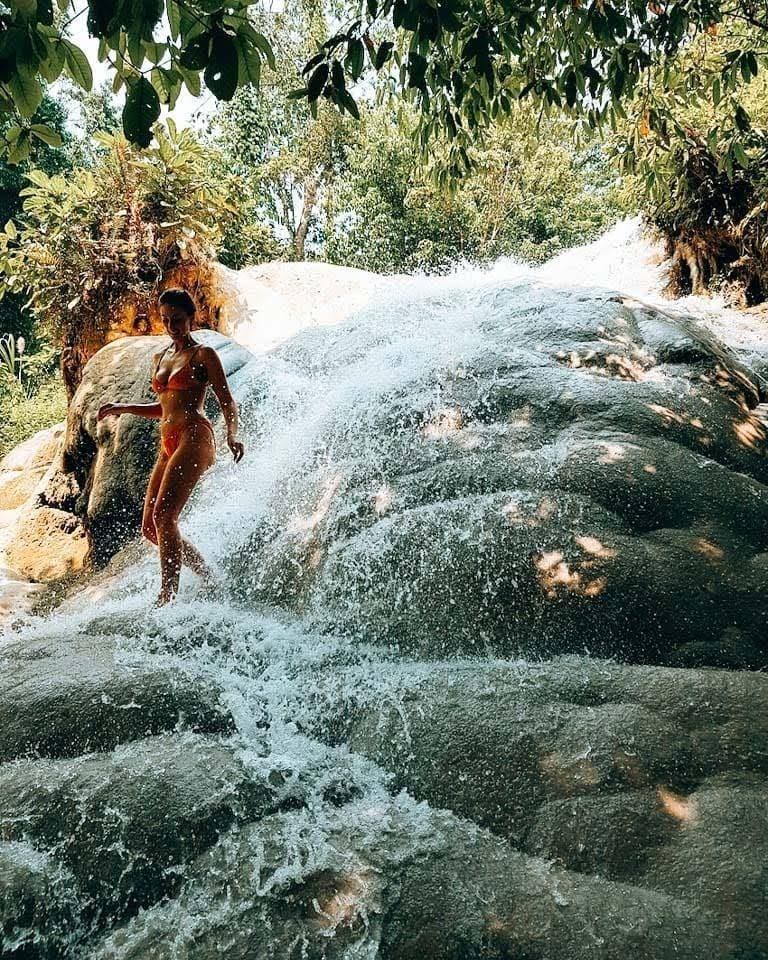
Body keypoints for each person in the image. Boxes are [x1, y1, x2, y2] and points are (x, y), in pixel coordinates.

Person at [97, 288, 245, 605]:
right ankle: (209, 576)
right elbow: (164, 408)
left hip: (194, 436)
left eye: (178, 320)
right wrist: (121, 407)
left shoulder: (204, 355)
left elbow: (227, 401)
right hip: (169, 440)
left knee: (165, 516)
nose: (172, 326)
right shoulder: (160, 357)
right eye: (166, 320)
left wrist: (232, 434)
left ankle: (168, 595)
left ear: (191, 318)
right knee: (150, 527)